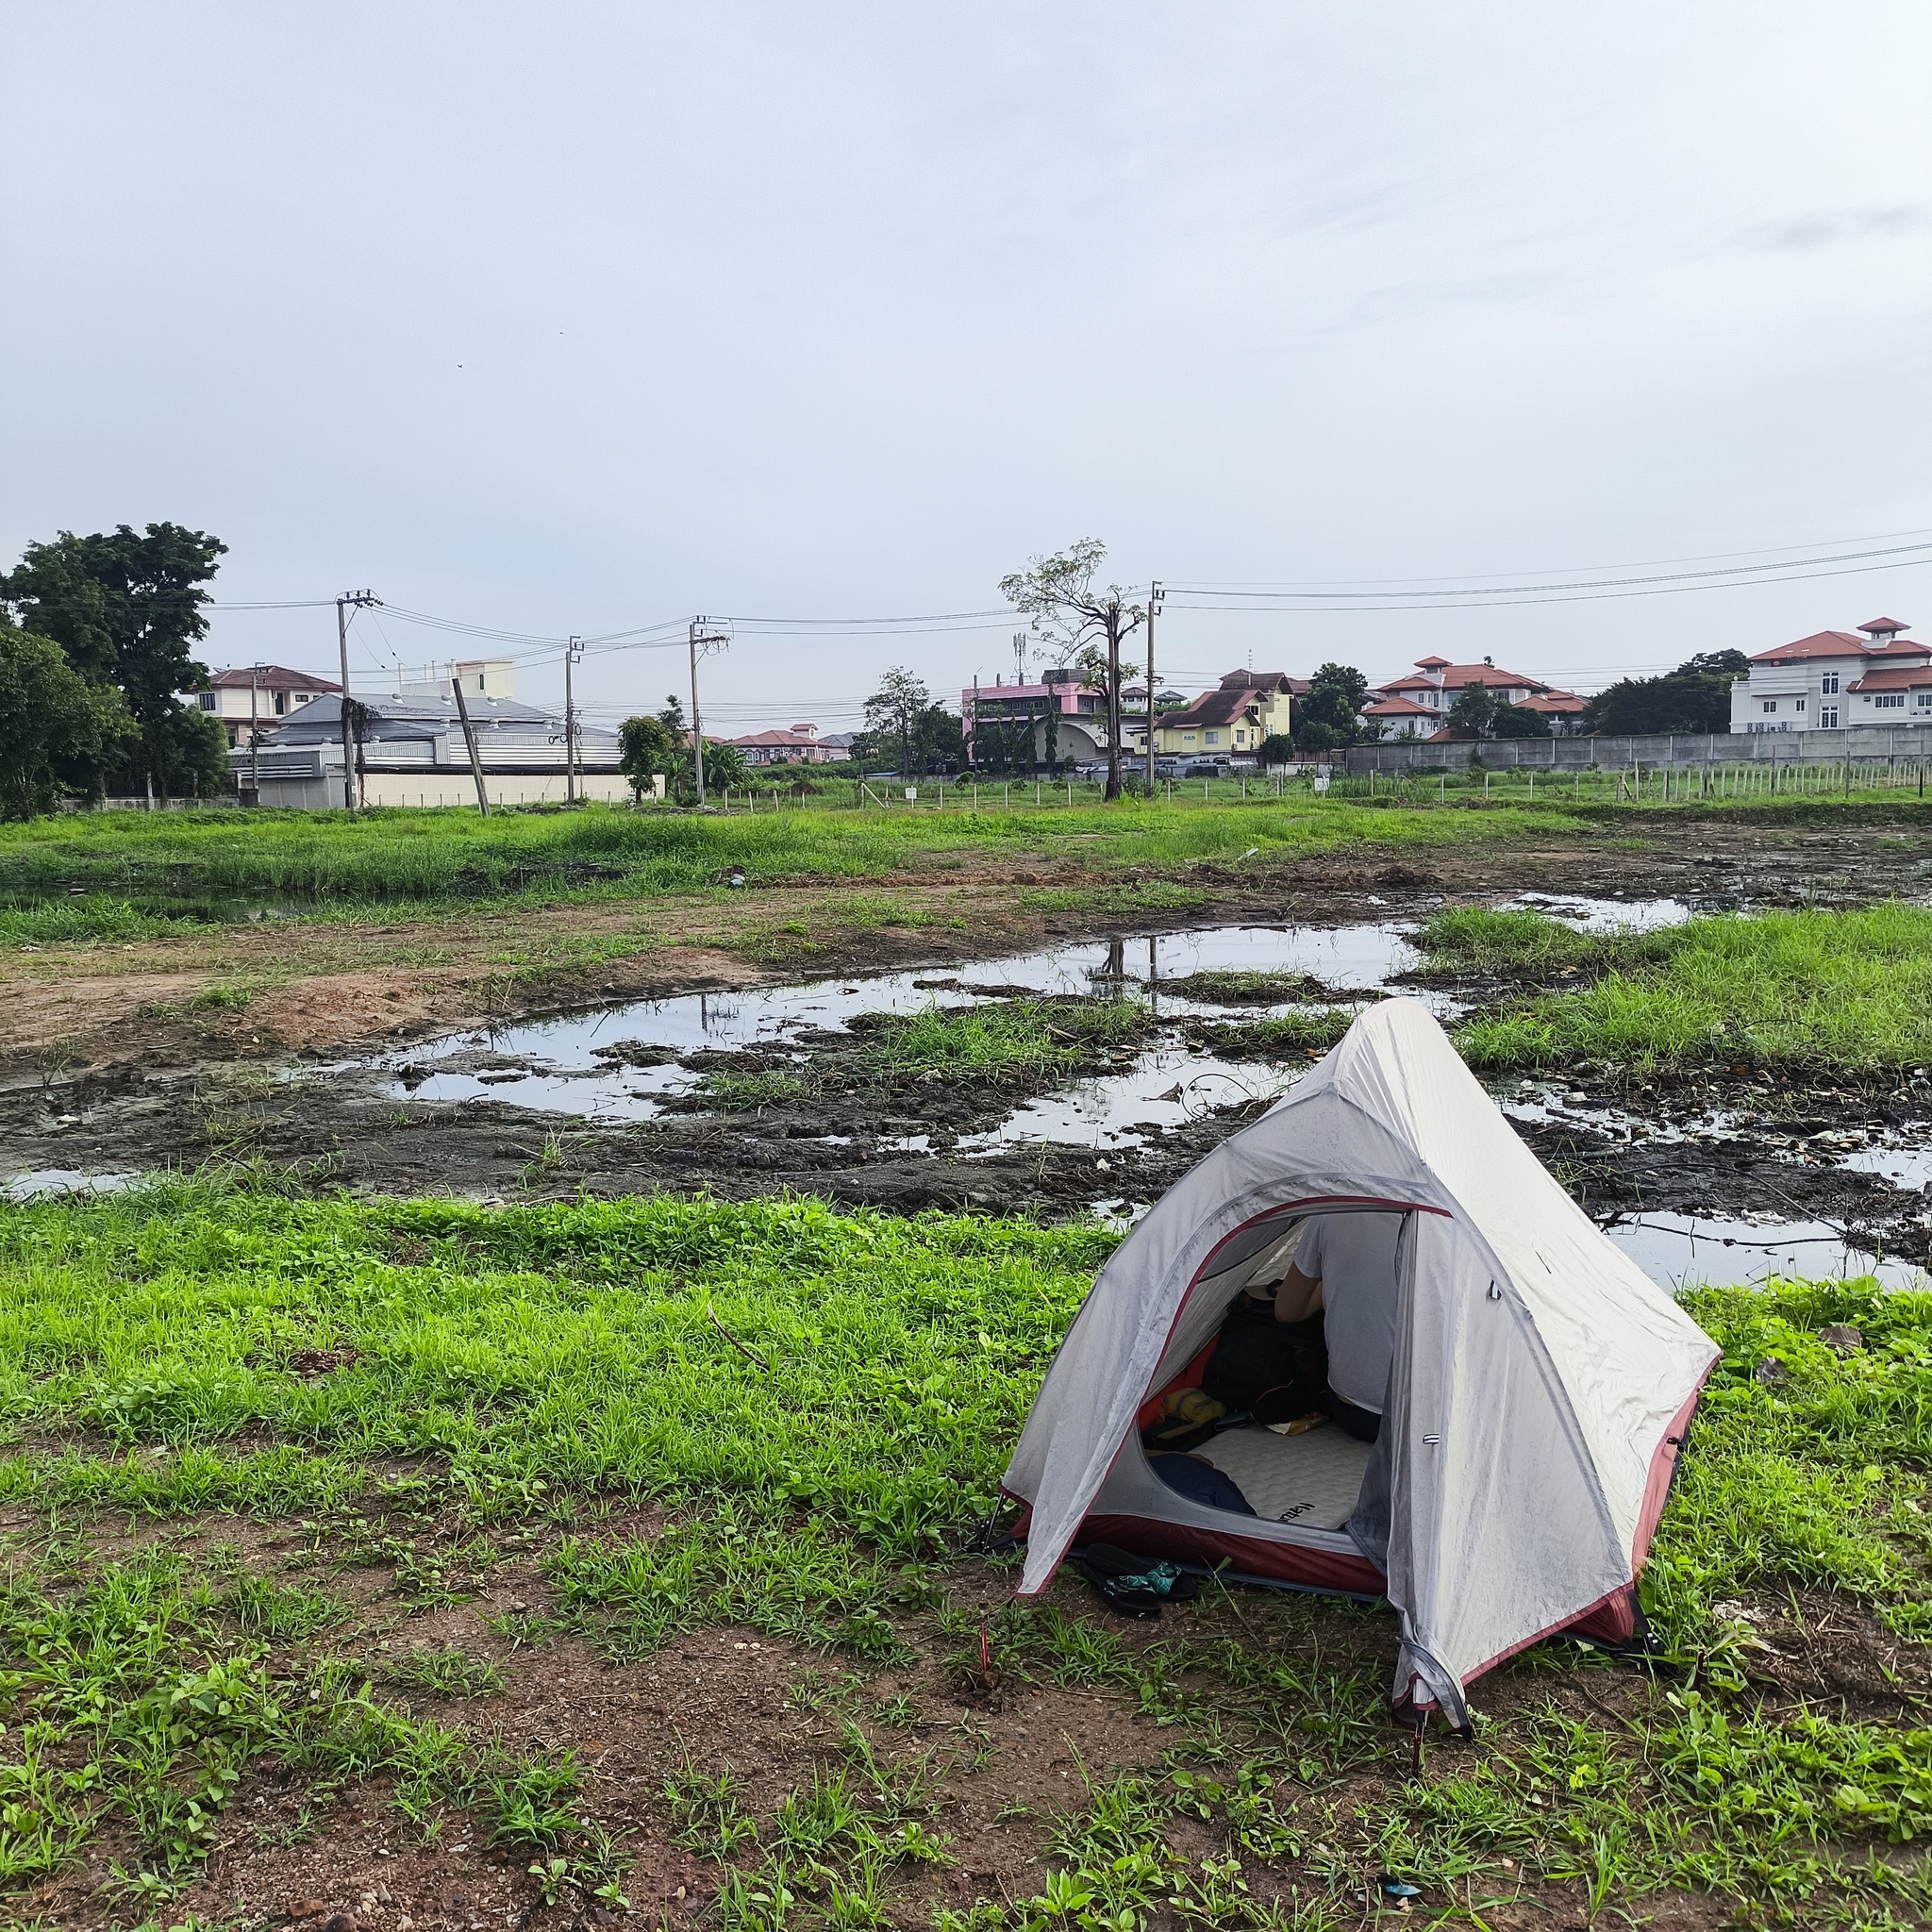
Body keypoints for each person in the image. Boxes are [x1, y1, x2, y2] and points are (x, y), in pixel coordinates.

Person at [1273, 1211, 1403, 1442]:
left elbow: (1286, 1311)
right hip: (1441, 1422)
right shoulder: (1458, 1219)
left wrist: (1337, 1279)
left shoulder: (1332, 1213)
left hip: (1361, 1416)